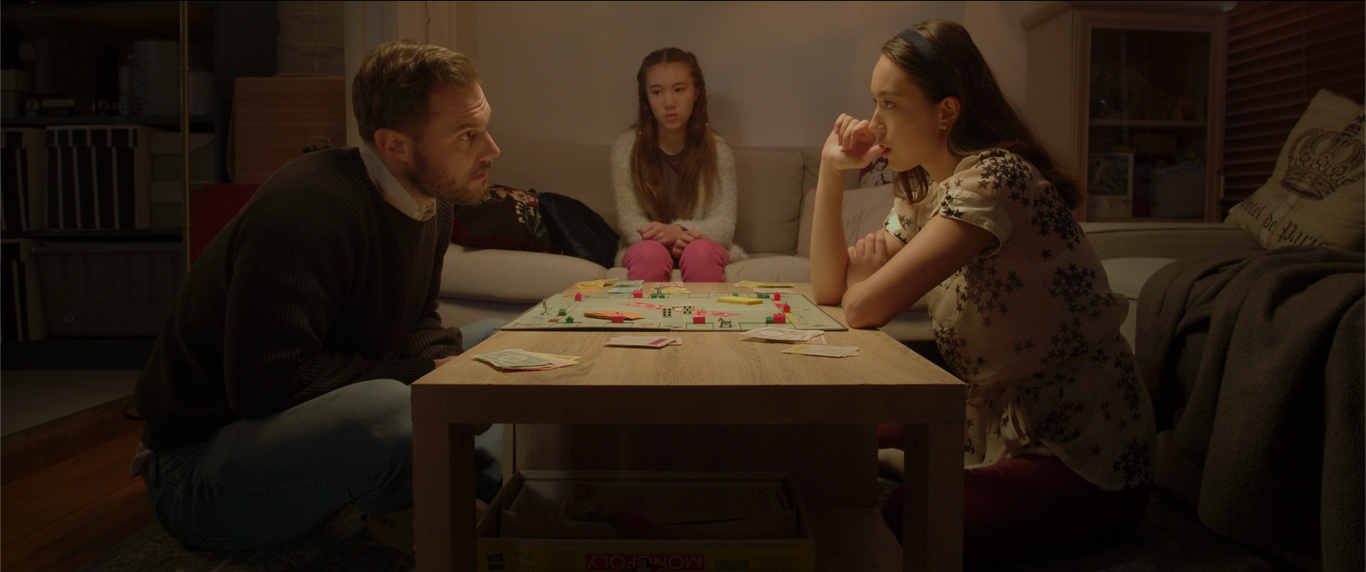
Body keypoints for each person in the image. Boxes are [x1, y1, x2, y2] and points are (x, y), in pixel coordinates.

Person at [129, 40, 506, 551]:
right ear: (395, 145)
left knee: (501, 346)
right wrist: (425, 381)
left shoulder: (429, 204)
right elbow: (266, 382)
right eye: (467, 135)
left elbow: (418, 321)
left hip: (295, 431)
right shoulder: (308, 207)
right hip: (200, 463)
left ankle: (491, 489)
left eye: (483, 128)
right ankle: (442, 492)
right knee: (389, 411)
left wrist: (446, 376)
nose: (491, 150)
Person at [808, 21, 1155, 565]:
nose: (874, 123)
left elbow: (860, 306)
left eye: (890, 105)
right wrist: (832, 171)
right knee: (840, 429)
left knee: (911, 515)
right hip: (993, 419)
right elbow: (830, 288)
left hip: (1081, 451)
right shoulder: (925, 191)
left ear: (946, 112)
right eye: (874, 103)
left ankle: (932, 464)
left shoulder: (995, 180)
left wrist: (866, 286)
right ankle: (930, 456)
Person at [611, 47, 743, 282]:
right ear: (646, 98)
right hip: (647, 246)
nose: (669, 102)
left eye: (679, 90)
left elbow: (724, 222)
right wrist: (661, 238)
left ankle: (706, 318)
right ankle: (646, 320)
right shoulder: (625, 149)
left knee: (699, 252)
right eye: (657, 92)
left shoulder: (718, 150)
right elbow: (629, 219)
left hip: (700, 245)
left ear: (696, 93)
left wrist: (680, 231)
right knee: (648, 253)